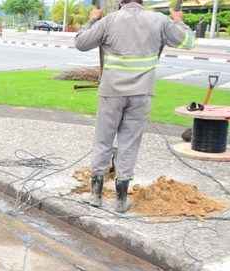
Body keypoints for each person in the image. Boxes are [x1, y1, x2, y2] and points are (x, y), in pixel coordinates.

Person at [75, 0, 195, 213]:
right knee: (129, 143)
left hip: (111, 93)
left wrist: (93, 19)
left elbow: (81, 43)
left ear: (121, 1)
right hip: (141, 94)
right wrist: (179, 22)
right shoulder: (159, 21)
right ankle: (121, 200)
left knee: (103, 141)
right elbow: (187, 42)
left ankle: (96, 196)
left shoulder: (109, 21)